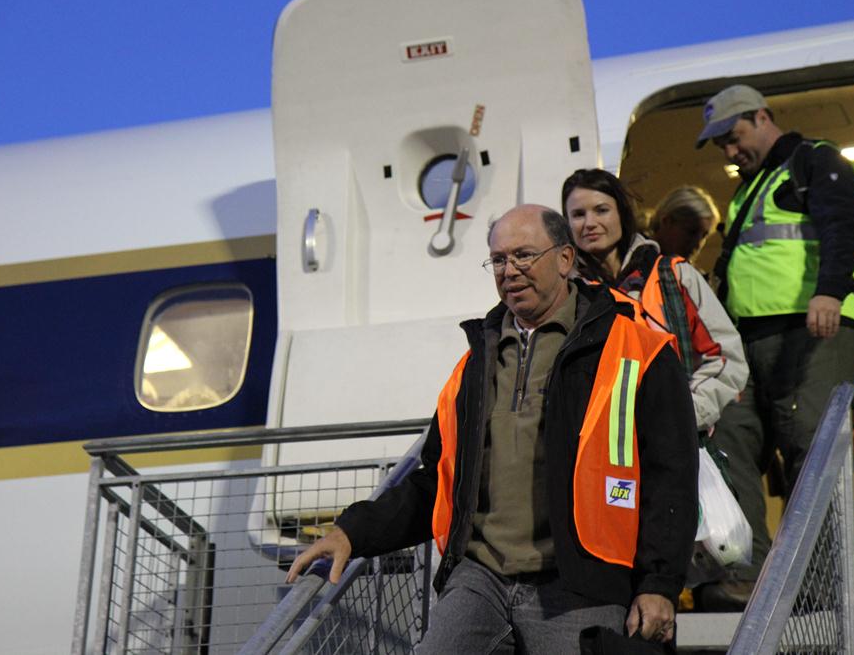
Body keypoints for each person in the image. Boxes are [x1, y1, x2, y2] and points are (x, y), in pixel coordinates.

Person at [287, 204, 699, 653]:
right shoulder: (474, 366)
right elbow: (436, 483)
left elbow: (671, 477)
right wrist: (352, 532)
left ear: (564, 260)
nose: (510, 271)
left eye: (523, 255)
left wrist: (658, 582)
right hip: (481, 576)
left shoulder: (639, 347)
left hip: (581, 582)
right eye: (499, 260)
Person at [694, 84, 854, 610]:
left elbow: (842, 225)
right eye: (720, 143)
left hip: (813, 331)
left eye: (733, 136)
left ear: (763, 117)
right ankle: (747, 573)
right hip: (753, 342)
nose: (729, 151)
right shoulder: (751, 187)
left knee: (810, 452)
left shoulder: (813, 160)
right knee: (730, 441)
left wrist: (830, 291)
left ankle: (822, 586)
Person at [561, 169, 747, 435]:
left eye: (601, 210)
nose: (589, 223)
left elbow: (725, 356)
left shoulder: (674, 275)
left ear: (622, 214)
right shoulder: (567, 295)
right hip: (601, 448)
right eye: (578, 214)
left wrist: (686, 415)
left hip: (676, 443)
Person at [648, 185, 722, 263]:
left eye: (704, 236)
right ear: (666, 222)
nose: (698, 244)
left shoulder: (687, 274)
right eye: (691, 232)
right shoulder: (635, 256)